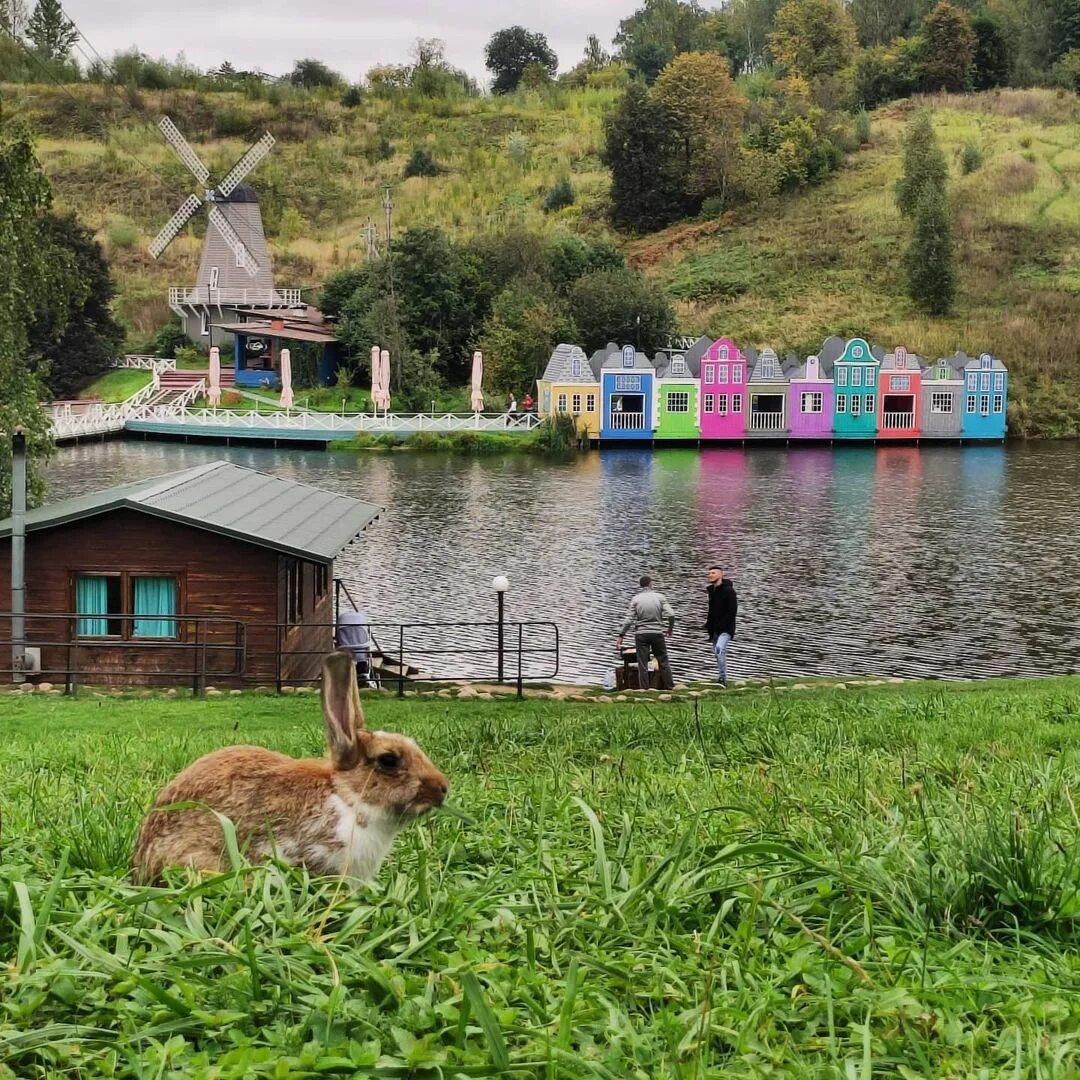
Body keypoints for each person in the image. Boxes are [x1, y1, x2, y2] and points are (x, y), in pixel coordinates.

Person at [616, 576, 675, 690]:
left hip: (641, 634)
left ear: (641, 586)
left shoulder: (636, 599)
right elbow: (671, 614)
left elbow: (628, 620)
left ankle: (644, 689)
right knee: (663, 660)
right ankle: (670, 687)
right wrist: (670, 629)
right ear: (651, 584)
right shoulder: (660, 597)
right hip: (657, 633)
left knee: (642, 663)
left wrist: (621, 635)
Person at [705, 565, 737, 687]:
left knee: (719, 649)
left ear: (720, 575)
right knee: (717, 653)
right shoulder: (711, 591)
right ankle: (721, 677)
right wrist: (708, 625)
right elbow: (711, 611)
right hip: (714, 630)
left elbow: (732, 611)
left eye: (713, 573)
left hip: (726, 629)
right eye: (709, 573)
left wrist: (723, 625)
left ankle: (723, 678)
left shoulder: (729, 591)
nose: (710, 575)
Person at [336, 608, 373, 687]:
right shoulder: (361, 640)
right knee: (362, 663)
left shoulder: (344, 638)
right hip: (361, 650)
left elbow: (338, 641)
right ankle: (363, 677)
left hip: (346, 649)